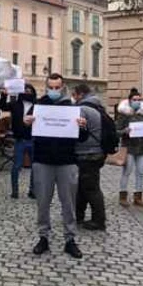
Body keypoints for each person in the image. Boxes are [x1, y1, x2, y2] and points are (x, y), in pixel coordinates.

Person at [29, 73, 88, 259]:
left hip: (67, 162)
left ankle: (70, 239)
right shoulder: (38, 106)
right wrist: (25, 123)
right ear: (46, 87)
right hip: (42, 161)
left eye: (57, 87)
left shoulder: (72, 107)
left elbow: (82, 138)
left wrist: (83, 127)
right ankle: (43, 237)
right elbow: (22, 130)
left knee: (68, 203)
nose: (54, 90)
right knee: (43, 203)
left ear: (63, 88)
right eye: (51, 87)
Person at [72, 83, 107, 231]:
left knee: (91, 188)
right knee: (83, 186)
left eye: (74, 95)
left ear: (80, 94)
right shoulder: (98, 107)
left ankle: (99, 220)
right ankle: (78, 215)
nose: (73, 98)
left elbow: (76, 131)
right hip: (96, 152)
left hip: (87, 152)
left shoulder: (82, 109)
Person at [0, 82, 37, 199]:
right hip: (20, 139)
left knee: (35, 167)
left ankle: (32, 190)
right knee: (16, 166)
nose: (27, 92)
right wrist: (4, 95)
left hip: (33, 139)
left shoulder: (37, 105)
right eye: (25, 90)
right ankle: (15, 191)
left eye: (30, 91)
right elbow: (3, 106)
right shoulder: (15, 104)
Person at [116, 88, 143, 207]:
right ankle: (122, 196)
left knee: (140, 172)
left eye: (139, 100)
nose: (137, 101)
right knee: (127, 171)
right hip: (129, 146)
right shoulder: (123, 114)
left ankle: (138, 196)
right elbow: (117, 131)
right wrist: (124, 131)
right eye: (134, 100)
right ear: (130, 101)